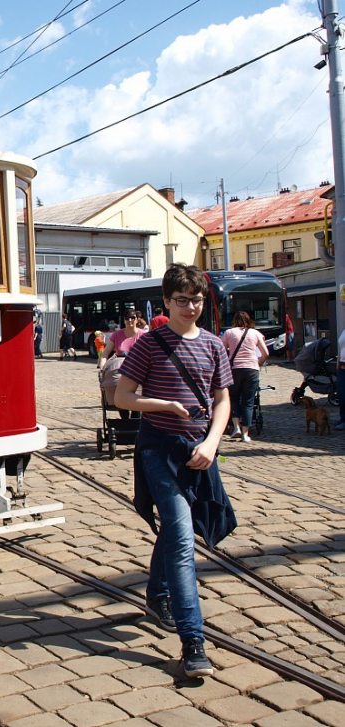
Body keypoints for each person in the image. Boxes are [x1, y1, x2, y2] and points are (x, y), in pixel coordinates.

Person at [115, 263, 234, 679]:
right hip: (159, 450)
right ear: (166, 301)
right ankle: (192, 640)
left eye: (197, 300)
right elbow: (122, 398)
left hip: (199, 449)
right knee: (182, 538)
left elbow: (222, 401)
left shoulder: (215, 346)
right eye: (181, 300)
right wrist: (164, 406)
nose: (190, 307)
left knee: (175, 529)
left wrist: (213, 442)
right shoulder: (149, 344)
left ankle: (156, 594)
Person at [221, 311, 268, 442]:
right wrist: (257, 364)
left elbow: (221, 350)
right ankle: (245, 434)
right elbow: (265, 353)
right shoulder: (255, 333)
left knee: (233, 398)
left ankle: (236, 427)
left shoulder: (229, 333)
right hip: (251, 369)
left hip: (234, 369)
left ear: (234, 320)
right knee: (248, 402)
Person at [337, 326, 345, 431]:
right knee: (342, 395)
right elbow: (341, 347)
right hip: (342, 368)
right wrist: (338, 362)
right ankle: (343, 418)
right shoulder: (344, 330)